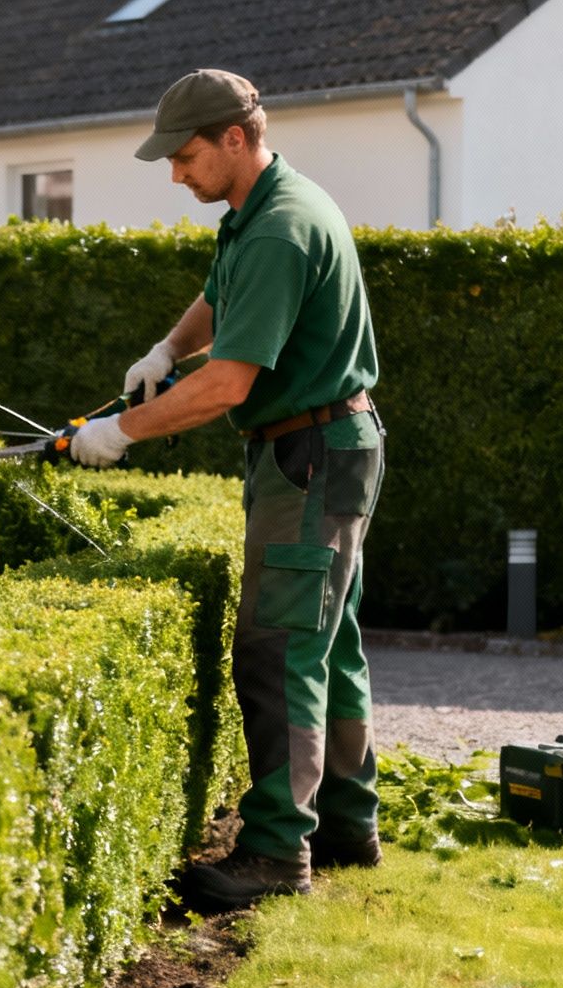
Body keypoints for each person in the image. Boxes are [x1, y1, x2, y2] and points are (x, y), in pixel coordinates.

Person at [68, 69, 386, 913]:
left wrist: (118, 432)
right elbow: (220, 297)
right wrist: (166, 351)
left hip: (309, 454)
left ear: (235, 139)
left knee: (280, 652)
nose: (176, 173)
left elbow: (230, 387)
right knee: (329, 644)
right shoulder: (260, 209)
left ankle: (277, 854)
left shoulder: (281, 228)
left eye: (185, 156)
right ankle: (348, 827)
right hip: (328, 446)